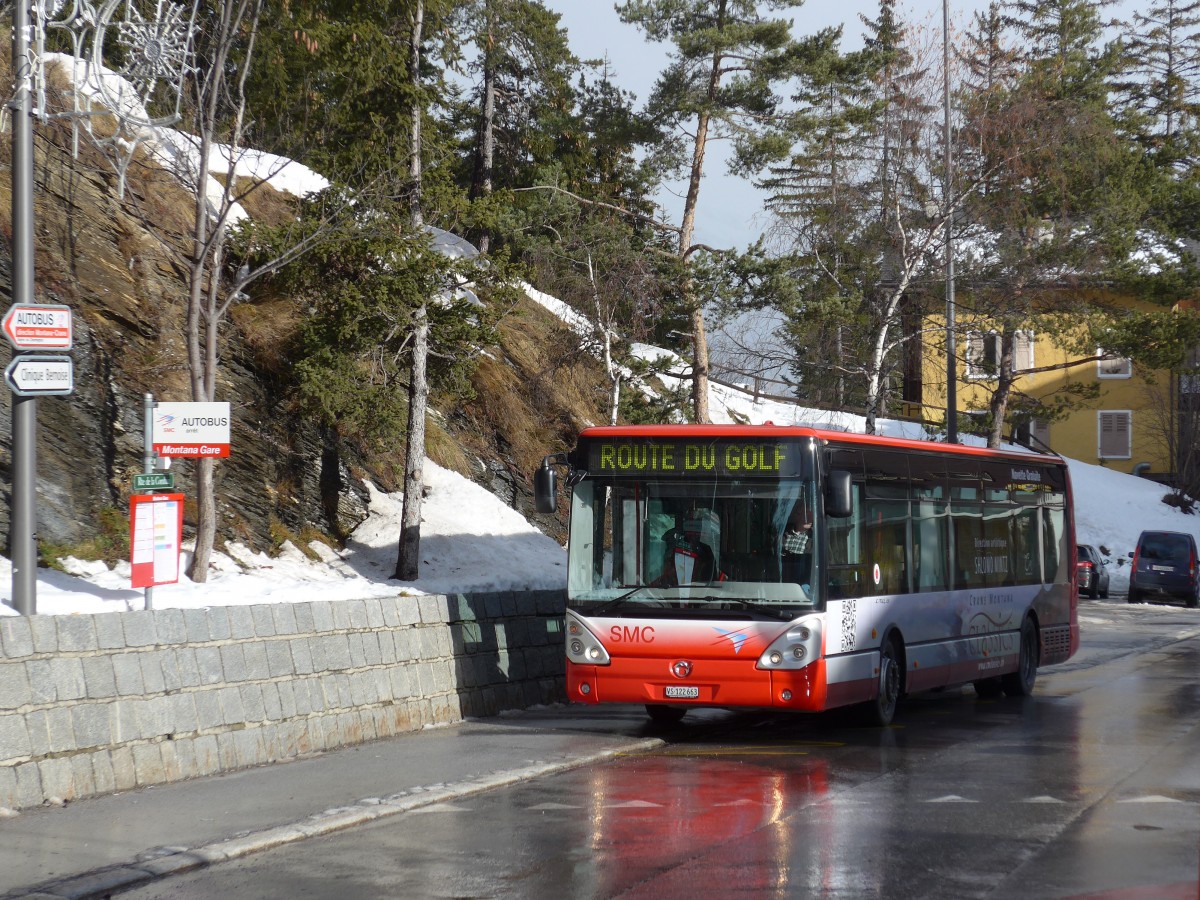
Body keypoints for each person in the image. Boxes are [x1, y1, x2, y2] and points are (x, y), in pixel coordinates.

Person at [782, 505, 812, 585]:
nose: (811, 518)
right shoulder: (781, 533)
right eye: (807, 514)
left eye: (812, 515)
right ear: (797, 515)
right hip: (780, 582)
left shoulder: (815, 538)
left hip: (803, 585)